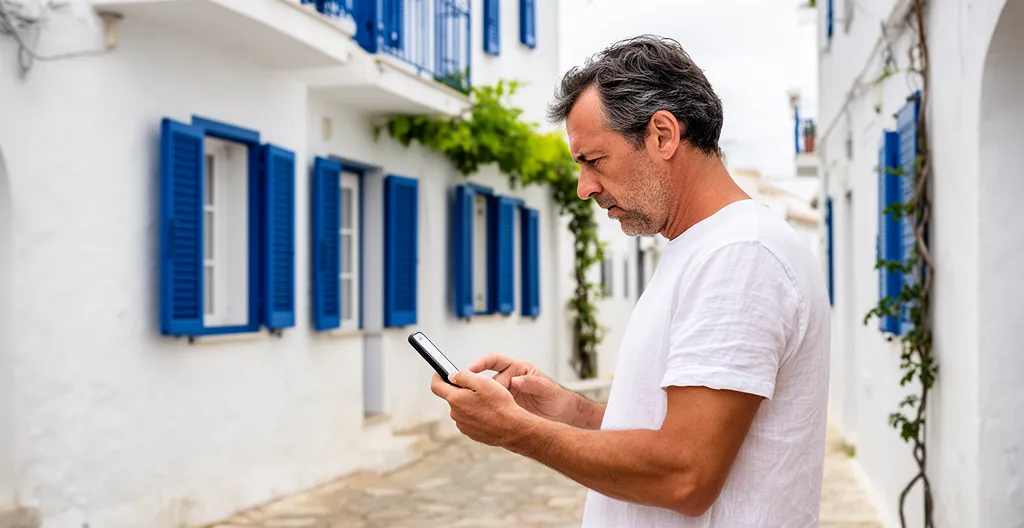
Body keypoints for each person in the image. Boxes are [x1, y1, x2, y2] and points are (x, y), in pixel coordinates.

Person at [430, 35, 830, 527]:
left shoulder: (740, 256)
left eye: (594, 160)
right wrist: (570, 411)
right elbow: (668, 433)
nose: (584, 188)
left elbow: (683, 474)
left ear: (662, 135)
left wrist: (515, 430)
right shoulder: (707, 248)